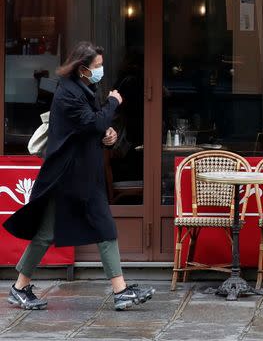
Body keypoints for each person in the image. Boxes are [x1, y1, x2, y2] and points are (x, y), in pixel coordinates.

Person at [4, 42, 155, 311]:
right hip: (66, 175)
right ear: (83, 68)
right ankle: (19, 286)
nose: (101, 70)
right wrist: (113, 102)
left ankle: (120, 291)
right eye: (97, 66)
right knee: (48, 233)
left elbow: (93, 125)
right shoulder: (68, 93)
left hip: (83, 175)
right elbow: (92, 122)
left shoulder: (84, 88)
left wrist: (107, 134)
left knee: (103, 227)